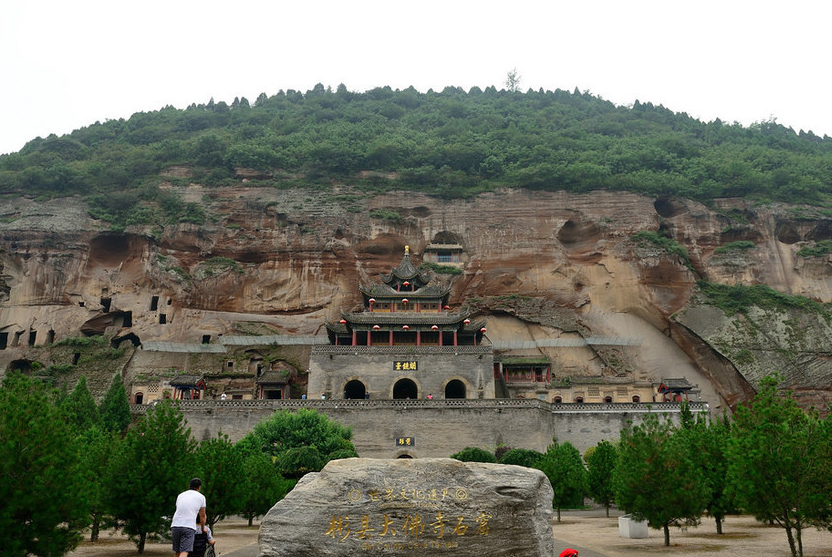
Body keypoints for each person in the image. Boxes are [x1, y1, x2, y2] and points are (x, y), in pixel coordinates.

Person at [171, 478, 207, 557]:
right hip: (188, 526)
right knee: (185, 551)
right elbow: (202, 516)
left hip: (175, 525)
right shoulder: (201, 497)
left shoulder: (180, 495)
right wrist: (202, 528)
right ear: (199, 487)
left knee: (177, 552)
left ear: (189, 486)